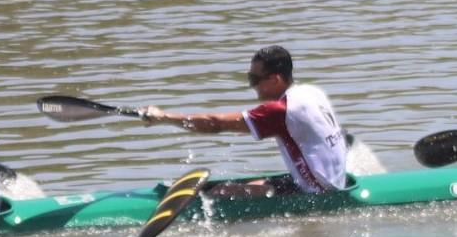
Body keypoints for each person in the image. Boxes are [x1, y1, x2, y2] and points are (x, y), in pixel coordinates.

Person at [139, 44, 349, 198]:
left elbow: (215, 123)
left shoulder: (281, 111)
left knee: (220, 193)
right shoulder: (310, 92)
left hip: (318, 193)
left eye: (254, 80)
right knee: (252, 185)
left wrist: (164, 117)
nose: (252, 86)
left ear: (275, 79)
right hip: (333, 180)